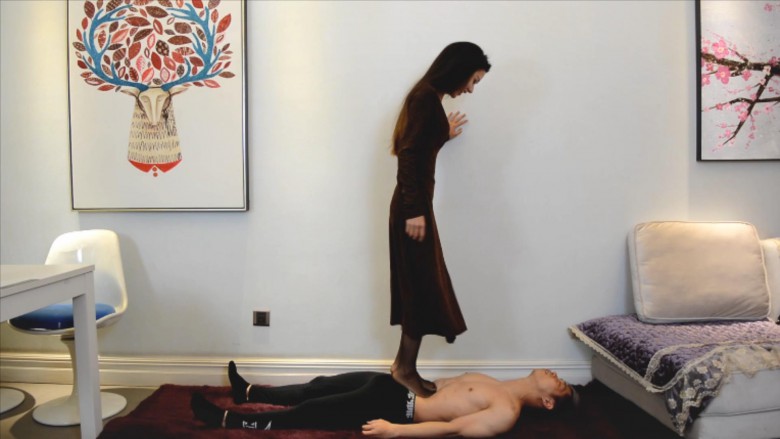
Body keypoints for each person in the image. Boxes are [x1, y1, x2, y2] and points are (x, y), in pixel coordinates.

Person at [388, 42, 491, 397]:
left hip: (416, 207)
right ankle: (403, 369)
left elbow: (420, 150)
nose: (471, 89)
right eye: (473, 80)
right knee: (419, 287)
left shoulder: (430, 100)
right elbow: (407, 156)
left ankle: (405, 366)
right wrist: (414, 211)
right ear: (457, 70)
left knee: (422, 286)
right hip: (412, 209)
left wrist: (441, 135)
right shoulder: (424, 99)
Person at [190, 361, 577, 437]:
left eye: (562, 386)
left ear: (548, 403)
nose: (558, 376)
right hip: (392, 387)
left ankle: (226, 420)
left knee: (310, 411)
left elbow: (454, 429)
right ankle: (248, 393)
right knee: (319, 385)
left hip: (398, 408)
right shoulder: (493, 382)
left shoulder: (505, 411)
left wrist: (395, 431)